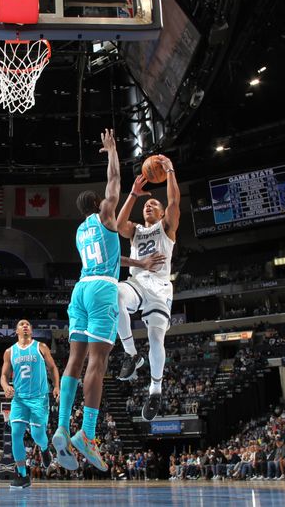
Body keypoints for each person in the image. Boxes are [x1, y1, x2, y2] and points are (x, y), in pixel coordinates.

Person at [52, 128, 120, 473]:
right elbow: (114, 179)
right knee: (98, 362)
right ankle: (87, 434)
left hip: (79, 289)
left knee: (75, 360)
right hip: (102, 289)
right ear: (98, 205)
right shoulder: (107, 214)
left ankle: (62, 425)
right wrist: (111, 151)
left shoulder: (80, 231)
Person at [113, 158, 180, 420]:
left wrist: (170, 170)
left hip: (160, 288)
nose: (149, 205)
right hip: (138, 282)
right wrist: (133, 195)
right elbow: (119, 225)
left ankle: (155, 390)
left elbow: (174, 202)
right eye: (146, 204)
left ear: (162, 213)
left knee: (155, 338)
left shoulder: (166, 228)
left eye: (154, 203)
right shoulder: (136, 231)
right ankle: (131, 354)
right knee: (115, 294)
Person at [0, 319, 60, 488]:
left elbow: (53, 367)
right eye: (21, 324)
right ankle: (22, 475)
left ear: (31, 330)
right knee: (15, 433)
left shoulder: (41, 347)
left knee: (37, 435)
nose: (25, 325)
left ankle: (44, 448)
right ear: (16, 331)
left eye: (27, 324)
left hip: (39, 398)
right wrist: (5, 386)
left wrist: (56, 386)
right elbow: (4, 375)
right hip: (19, 399)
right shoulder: (9, 352)